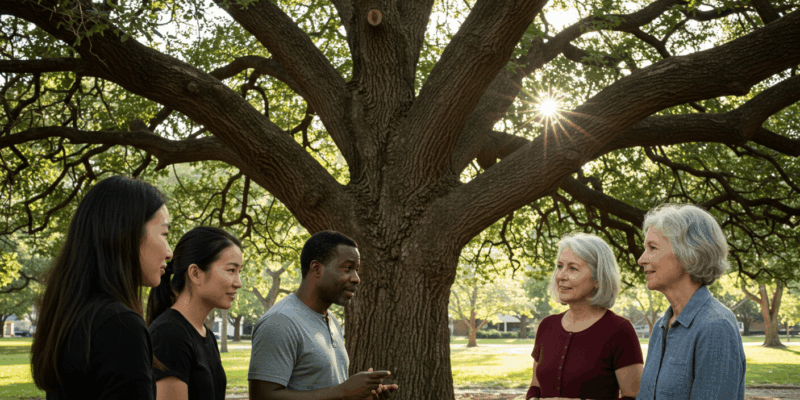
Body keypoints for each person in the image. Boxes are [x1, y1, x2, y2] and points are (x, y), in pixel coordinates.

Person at [30, 176, 172, 399]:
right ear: (127, 234)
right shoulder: (120, 325)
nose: (169, 252)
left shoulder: (73, 314)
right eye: (164, 234)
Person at [248, 230, 398, 400]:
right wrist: (344, 392)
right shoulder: (280, 322)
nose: (356, 278)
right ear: (316, 268)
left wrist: (359, 395)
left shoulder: (331, 320)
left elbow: (327, 392)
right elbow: (263, 396)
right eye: (347, 268)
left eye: (357, 270)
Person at [636, 204, 745, 400]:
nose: (641, 259)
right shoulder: (661, 327)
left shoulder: (716, 326)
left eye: (652, 248)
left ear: (688, 253)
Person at [527, 232, 643, 400]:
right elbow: (535, 386)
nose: (560, 276)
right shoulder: (547, 326)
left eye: (573, 268)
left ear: (598, 278)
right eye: (560, 266)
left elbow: (635, 396)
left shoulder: (619, 330)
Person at [146, 226, 243, 400]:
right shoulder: (169, 335)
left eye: (239, 272)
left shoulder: (206, 335)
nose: (238, 283)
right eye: (231, 270)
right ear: (196, 273)